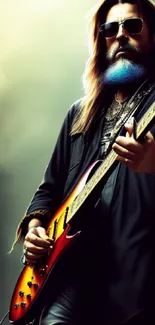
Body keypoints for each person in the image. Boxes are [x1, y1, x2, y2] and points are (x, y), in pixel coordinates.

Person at [12, 0, 155, 324]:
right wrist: (35, 229)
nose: (120, 35)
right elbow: (48, 191)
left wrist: (153, 163)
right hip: (69, 278)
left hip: (137, 285)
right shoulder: (79, 114)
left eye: (132, 26)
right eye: (110, 29)